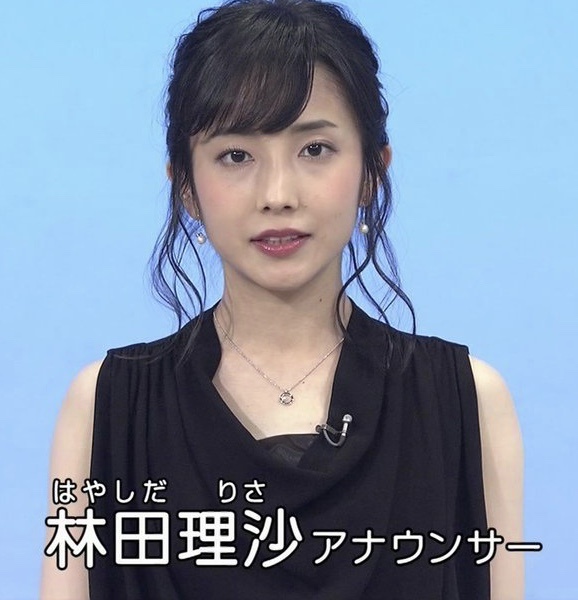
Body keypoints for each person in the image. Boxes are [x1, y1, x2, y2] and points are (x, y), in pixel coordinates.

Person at [40, 0, 524, 598]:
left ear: (373, 171)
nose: (277, 193)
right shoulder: (106, 407)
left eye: (314, 149)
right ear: (185, 186)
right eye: (236, 155)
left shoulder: (467, 400)